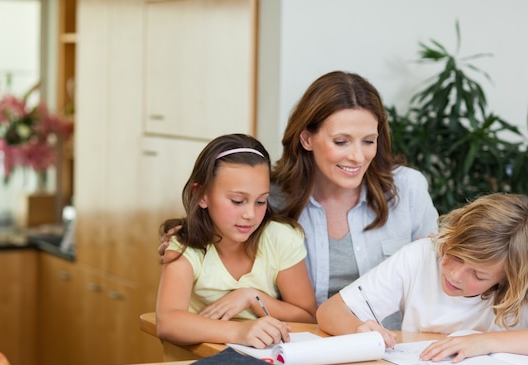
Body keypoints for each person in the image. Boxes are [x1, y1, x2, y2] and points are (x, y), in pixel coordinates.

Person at [158, 71, 439, 328]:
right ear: (306, 138)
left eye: (368, 141)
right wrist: (188, 234)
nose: (357, 156)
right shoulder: (272, 198)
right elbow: (222, 221)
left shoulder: (408, 189)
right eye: (341, 142)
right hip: (307, 347)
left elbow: (439, 271)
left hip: (392, 346)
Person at [316, 193, 528, 362]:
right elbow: (329, 311)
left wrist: (485, 342)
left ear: (509, 279)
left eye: (478, 274)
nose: (454, 274)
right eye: (455, 254)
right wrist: (356, 329)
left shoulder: (523, 289)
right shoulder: (420, 257)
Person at [156, 133, 317, 349]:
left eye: (261, 201)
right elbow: (168, 322)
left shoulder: (280, 238)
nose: (250, 214)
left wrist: (252, 297)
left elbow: (307, 317)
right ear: (202, 195)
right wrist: (240, 331)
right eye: (237, 201)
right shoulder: (185, 247)